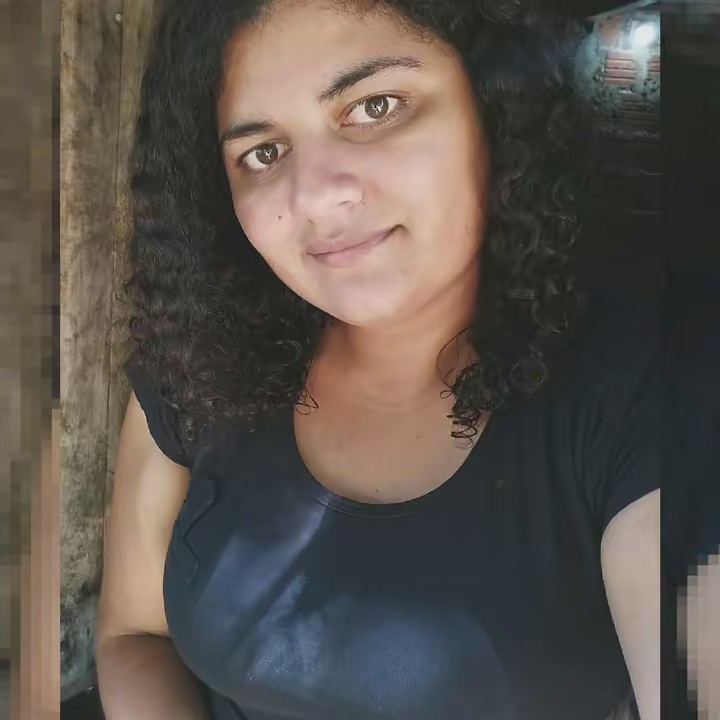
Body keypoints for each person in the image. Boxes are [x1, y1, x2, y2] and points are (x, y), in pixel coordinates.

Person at [96, 1, 661, 719]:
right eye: (263, 153)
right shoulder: (199, 355)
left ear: (495, 104)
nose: (318, 198)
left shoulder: (642, 389)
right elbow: (134, 634)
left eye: (375, 107)